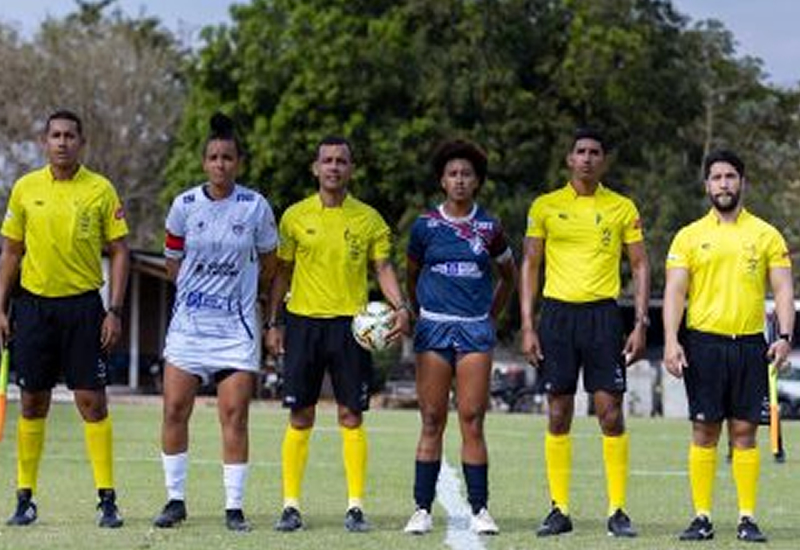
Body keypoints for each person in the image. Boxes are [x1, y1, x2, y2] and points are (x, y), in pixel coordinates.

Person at [265, 136, 411, 533]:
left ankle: (355, 507)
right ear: (315, 168)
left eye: (341, 161)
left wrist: (401, 306)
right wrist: (273, 322)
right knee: (300, 414)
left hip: (352, 328)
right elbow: (282, 272)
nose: (333, 167)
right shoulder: (294, 216)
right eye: (327, 161)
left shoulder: (369, 219)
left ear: (351, 169)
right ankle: (291, 506)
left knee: (351, 414)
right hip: (303, 323)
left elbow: (382, 268)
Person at [0, 109, 129, 528]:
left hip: (84, 310)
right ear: (44, 141)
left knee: (92, 402)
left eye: (70, 136)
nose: (62, 142)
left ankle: (107, 499)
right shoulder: (24, 189)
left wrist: (114, 310)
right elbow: (11, 252)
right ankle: (24, 498)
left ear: (81, 142)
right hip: (34, 309)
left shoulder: (100, 190)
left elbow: (121, 251)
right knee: (33, 402)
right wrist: (1, 307)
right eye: (55, 135)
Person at [519, 128, 650, 538]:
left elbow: (641, 266)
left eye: (596, 152)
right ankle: (559, 509)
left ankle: (617, 510)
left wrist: (641, 322)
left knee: (610, 413)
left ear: (603, 161)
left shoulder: (623, 208)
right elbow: (530, 265)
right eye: (581, 152)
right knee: (558, 412)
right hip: (556, 317)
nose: (588, 158)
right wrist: (527, 324)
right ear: (569, 159)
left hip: (603, 317)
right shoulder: (545, 206)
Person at [152, 113, 278, 532]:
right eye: (213, 157)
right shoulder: (184, 206)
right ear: (204, 162)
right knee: (173, 409)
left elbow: (269, 261)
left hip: (235, 330)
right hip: (189, 328)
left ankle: (234, 508)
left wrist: (244, 295)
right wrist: (196, 292)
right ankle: (174, 500)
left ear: (237, 163)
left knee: (235, 415)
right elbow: (172, 263)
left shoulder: (255, 206)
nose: (220, 164)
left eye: (227, 157)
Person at [663, 149, 794, 543]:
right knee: (704, 431)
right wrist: (671, 340)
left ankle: (746, 518)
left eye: (730, 177)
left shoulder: (766, 234)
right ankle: (701, 516)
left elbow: (784, 288)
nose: (724, 184)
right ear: (707, 185)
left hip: (750, 346)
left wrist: (785, 337)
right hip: (703, 344)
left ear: (742, 182)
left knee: (744, 433)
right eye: (717, 177)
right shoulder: (689, 236)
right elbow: (674, 291)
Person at [402, 140, 516, 536]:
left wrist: (490, 315)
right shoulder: (425, 226)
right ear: (442, 181)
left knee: (472, 419)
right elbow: (412, 276)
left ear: (477, 181)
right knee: (432, 419)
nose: (460, 180)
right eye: (453, 174)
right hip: (433, 326)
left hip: (474, 329)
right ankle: (421, 509)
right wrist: (419, 313)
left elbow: (508, 276)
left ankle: (480, 508)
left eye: (467, 174)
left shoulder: (490, 227)